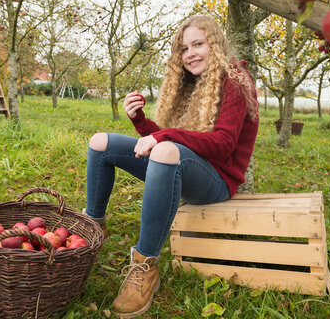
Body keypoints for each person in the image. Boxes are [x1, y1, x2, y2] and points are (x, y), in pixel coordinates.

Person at [83, 16, 259, 318]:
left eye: (198, 44)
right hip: (183, 166)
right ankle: (93, 226)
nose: (189, 53)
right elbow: (175, 142)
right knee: (101, 143)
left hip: (217, 181)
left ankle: (144, 265)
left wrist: (161, 135)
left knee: (164, 147)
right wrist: (140, 121)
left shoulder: (235, 79)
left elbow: (222, 144)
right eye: (183, 48)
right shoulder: (191, 82)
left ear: (214, 44)